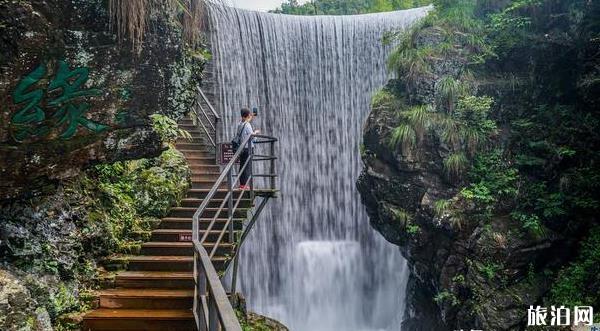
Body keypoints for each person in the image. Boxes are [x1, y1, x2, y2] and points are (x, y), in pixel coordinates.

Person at [235, 108, 260, 190]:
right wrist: (256, 132)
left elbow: (244, 125)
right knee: (247, 166)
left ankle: (242, 184)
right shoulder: (248, 125)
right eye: (249, 114)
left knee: (242, 166)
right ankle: (245, 185)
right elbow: (252, 137)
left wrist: (249, 117)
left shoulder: (239, 124)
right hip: (248, 148)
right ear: (248, 115)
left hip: (241, 148)